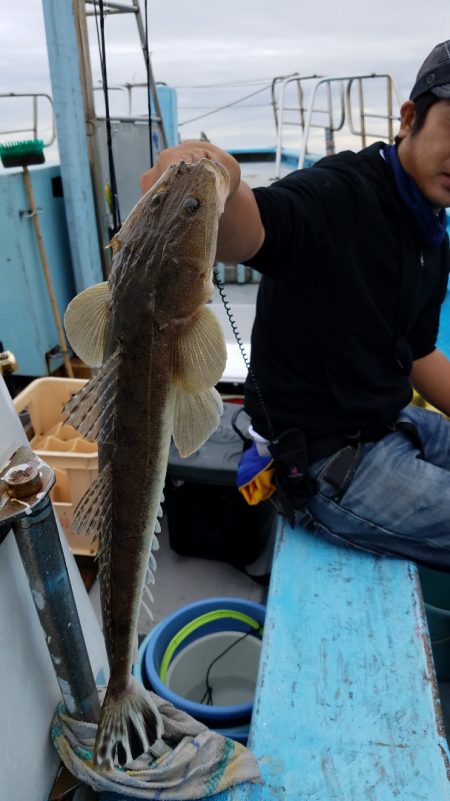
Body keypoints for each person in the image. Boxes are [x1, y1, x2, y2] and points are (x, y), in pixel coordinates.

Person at [141, 42, 450, 570]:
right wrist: (208, 171)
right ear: (409, 118)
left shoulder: (432, 232)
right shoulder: (338, 192)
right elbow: (251, 229)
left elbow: (418, 351)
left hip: (386, 423)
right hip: (322, 462)